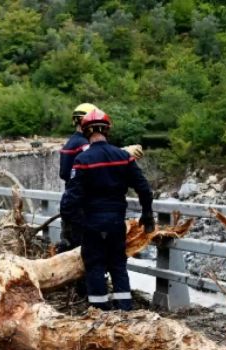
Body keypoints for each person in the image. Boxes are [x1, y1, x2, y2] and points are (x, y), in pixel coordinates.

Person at [60, 108, 154, 311]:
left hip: (92, 223)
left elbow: (69, 201)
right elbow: (144, 188)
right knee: (118, 266)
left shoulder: (82, 161)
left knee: (94, 267)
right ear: (107, 131)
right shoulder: (123, 157)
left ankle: (100, 314)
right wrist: (147, 213)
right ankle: (125, 311)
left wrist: (79, 224)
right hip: (115, 223)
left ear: (85, 132)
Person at [57, 103, 98, 253]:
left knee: (69, 245)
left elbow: (63, 174)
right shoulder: (84, 144)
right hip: (83, 203)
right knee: (84, 249)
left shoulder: (70, 143)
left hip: (69, 199)